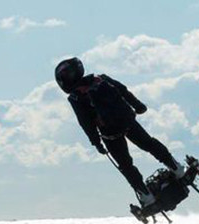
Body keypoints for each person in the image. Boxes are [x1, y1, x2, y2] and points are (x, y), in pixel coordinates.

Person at [55, 57, 185, 207]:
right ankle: (176, 168)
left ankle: (146, 195)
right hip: (128, 121)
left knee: (126, 166)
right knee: (149, 144)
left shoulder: (75, 97)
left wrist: (96, 143)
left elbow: (85, 122)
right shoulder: (101, 79)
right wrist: (138, 106)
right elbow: (123, 90)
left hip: (110, 134)